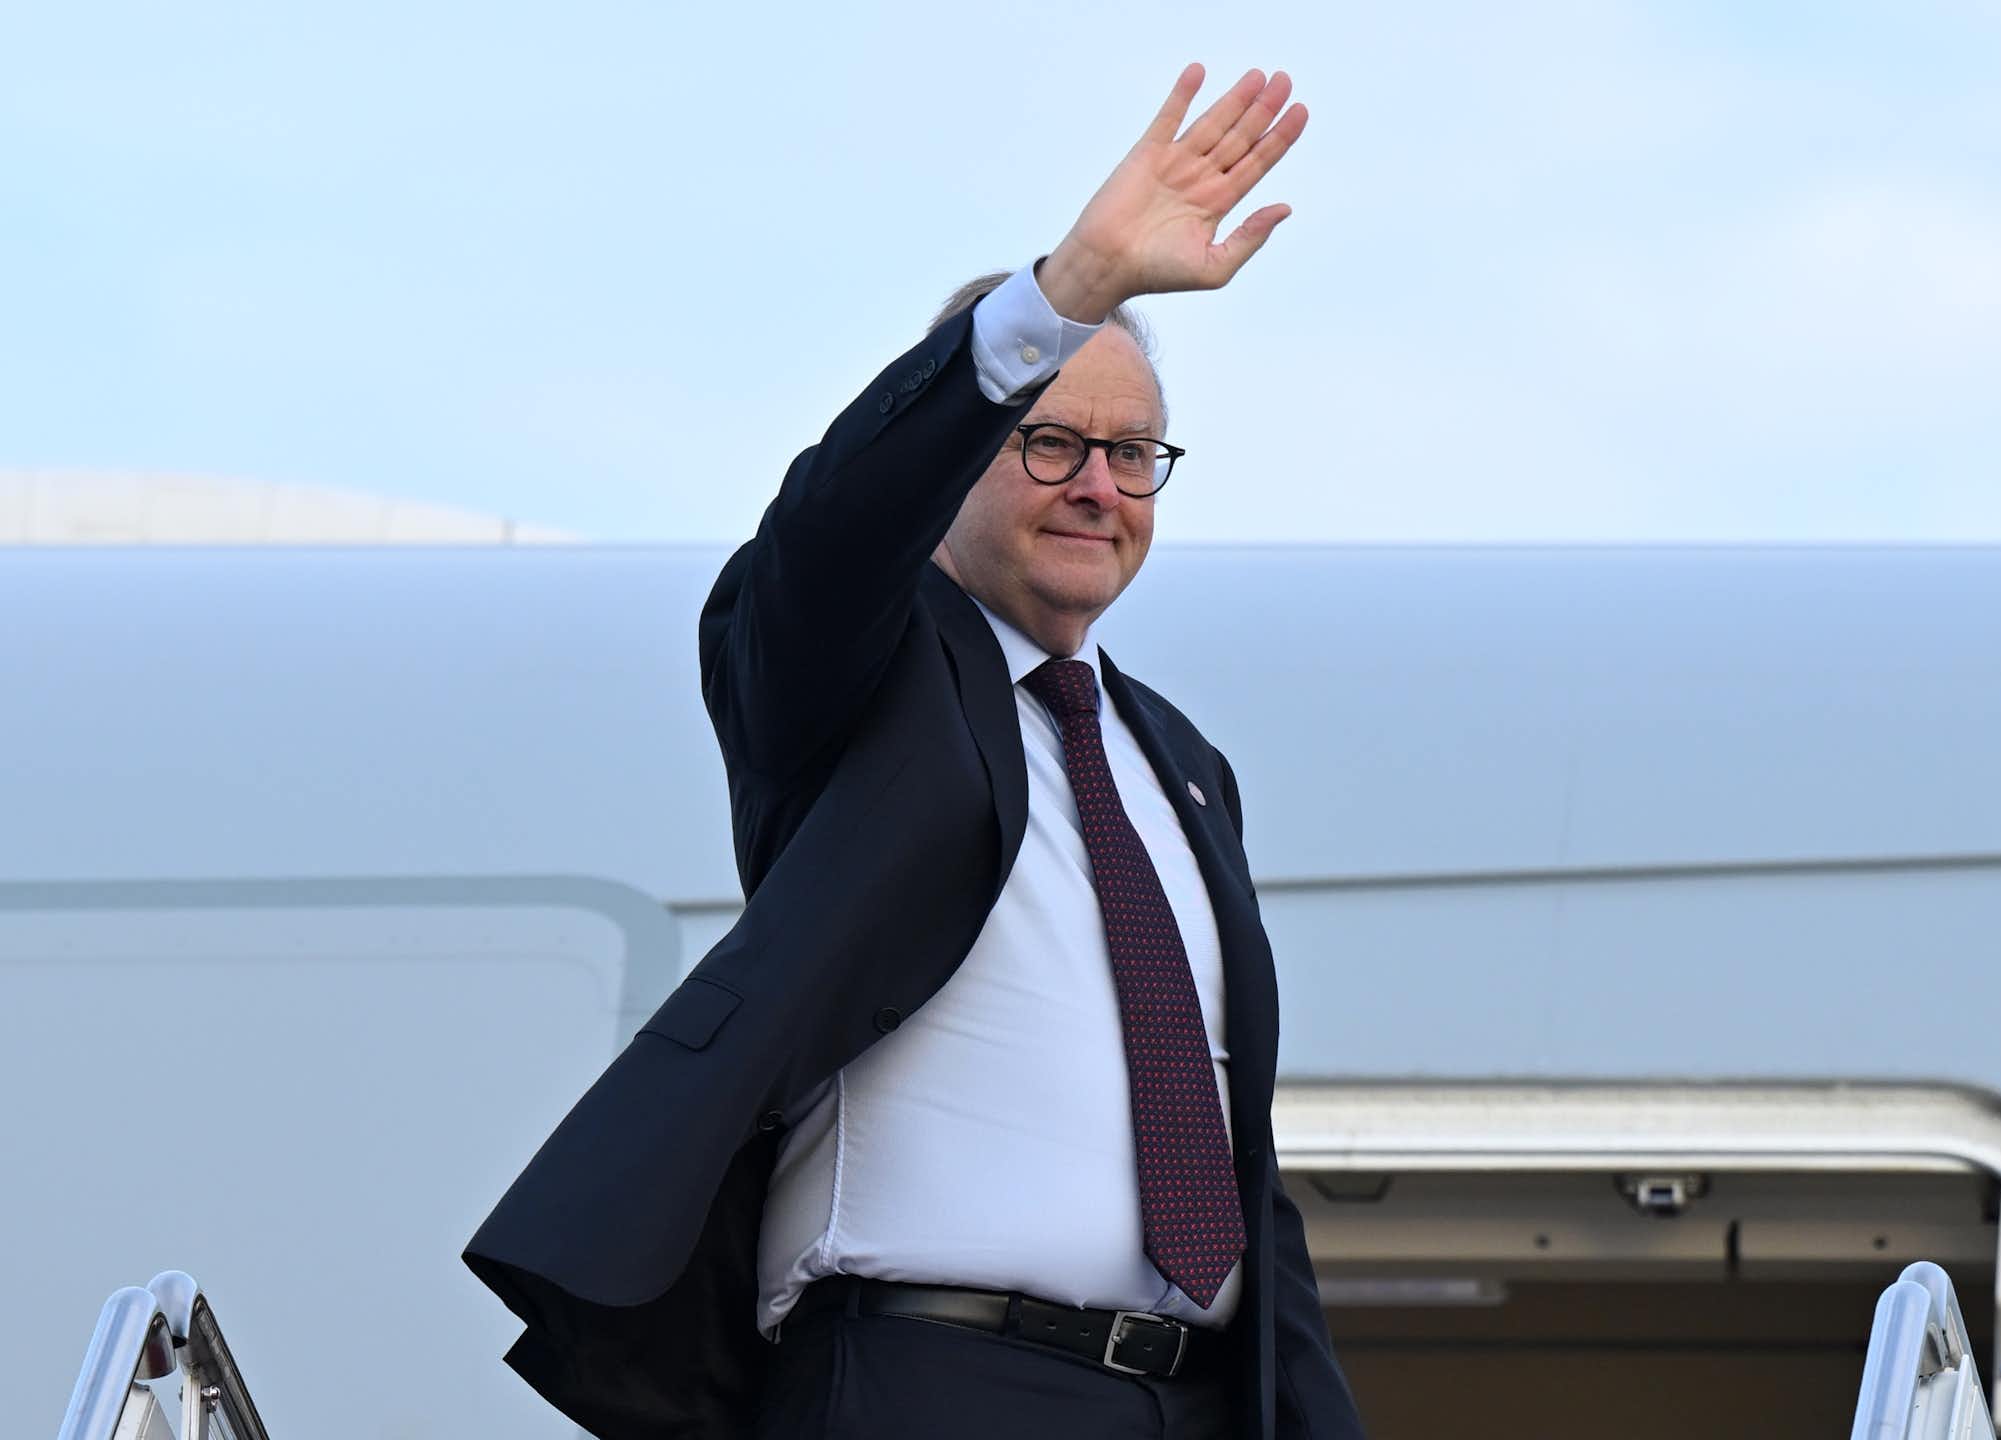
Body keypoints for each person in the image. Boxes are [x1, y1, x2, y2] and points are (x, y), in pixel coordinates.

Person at [463, 63, 1366, 1440]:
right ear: (962, 452)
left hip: (1184, 1402)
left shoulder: (1182, 766)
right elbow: (838, 529)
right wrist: (1066, 288)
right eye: (1049, 438)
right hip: (927, 1380)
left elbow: (1235, 1153)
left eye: (1134, 456)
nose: (1097, 486)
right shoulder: (859, 674)